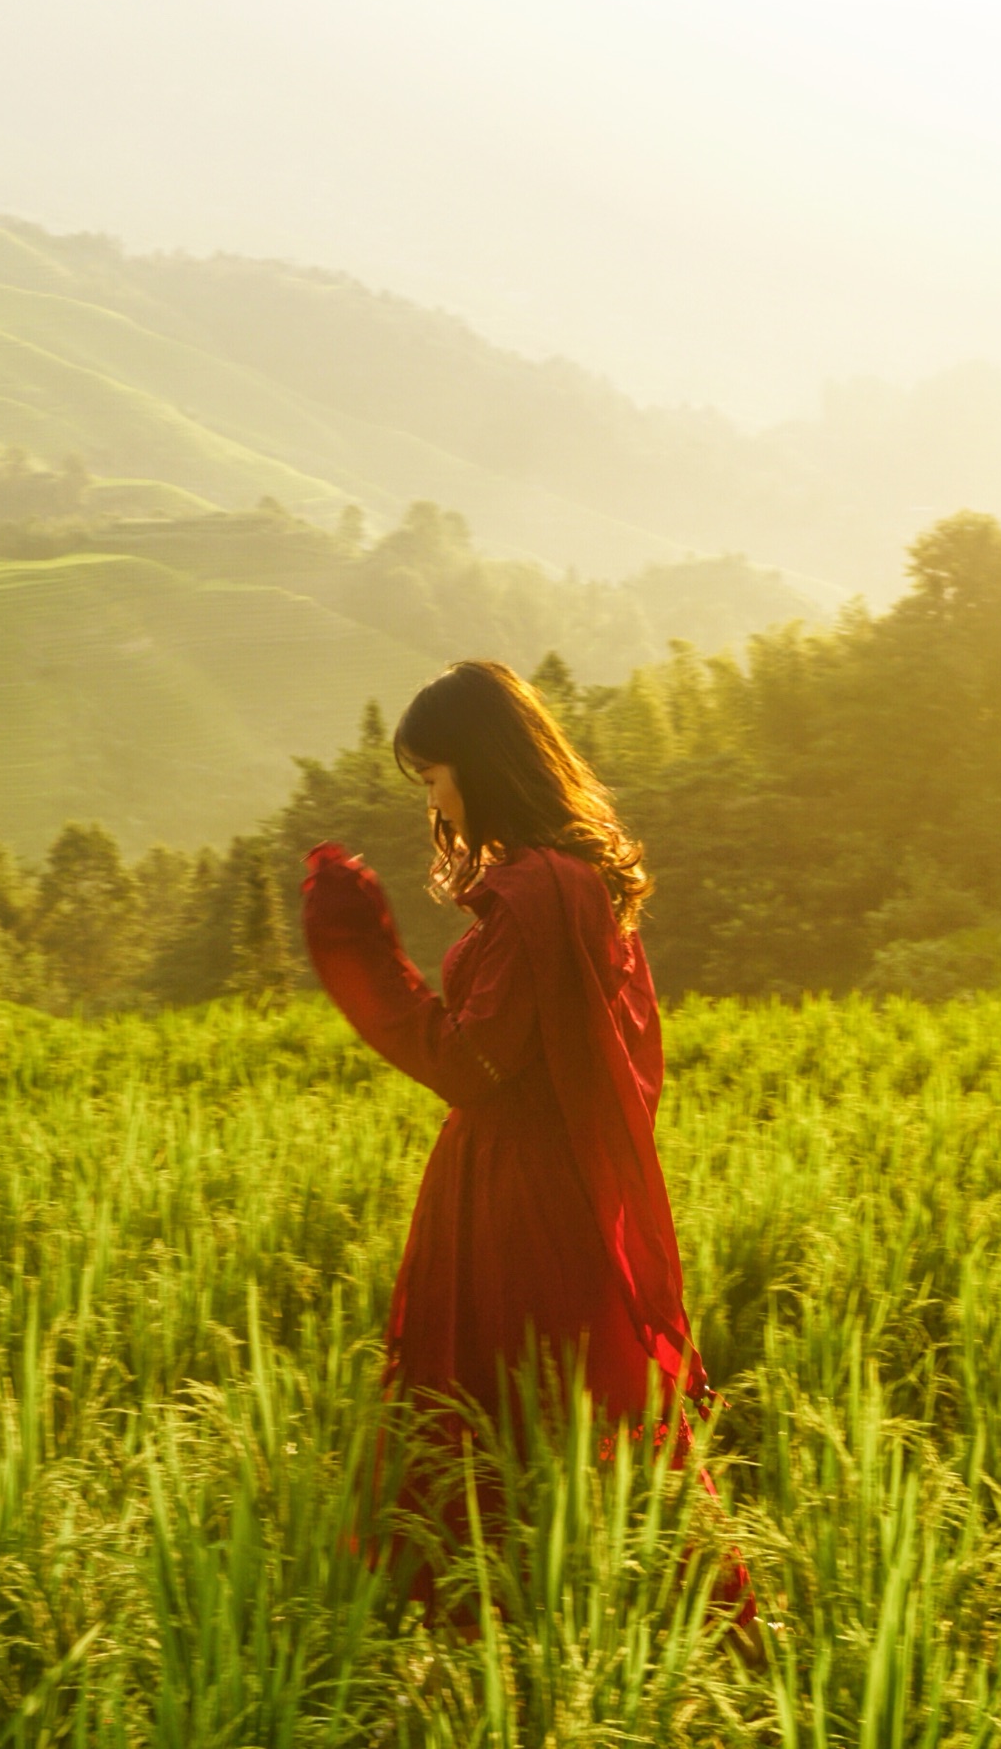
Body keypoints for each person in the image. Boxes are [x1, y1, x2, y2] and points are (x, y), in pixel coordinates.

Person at [300, 659, 745, 1613]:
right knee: (582, 1420)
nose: (435, 804)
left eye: (433, 779)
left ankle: (497, 1631)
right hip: (549, 1186)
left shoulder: (540, 890)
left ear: (481, 766)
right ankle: (600, 1625)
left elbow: (472, 1066)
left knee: (501, 1420)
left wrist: (359, 955)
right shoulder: (573, 879)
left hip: (520, 1202)